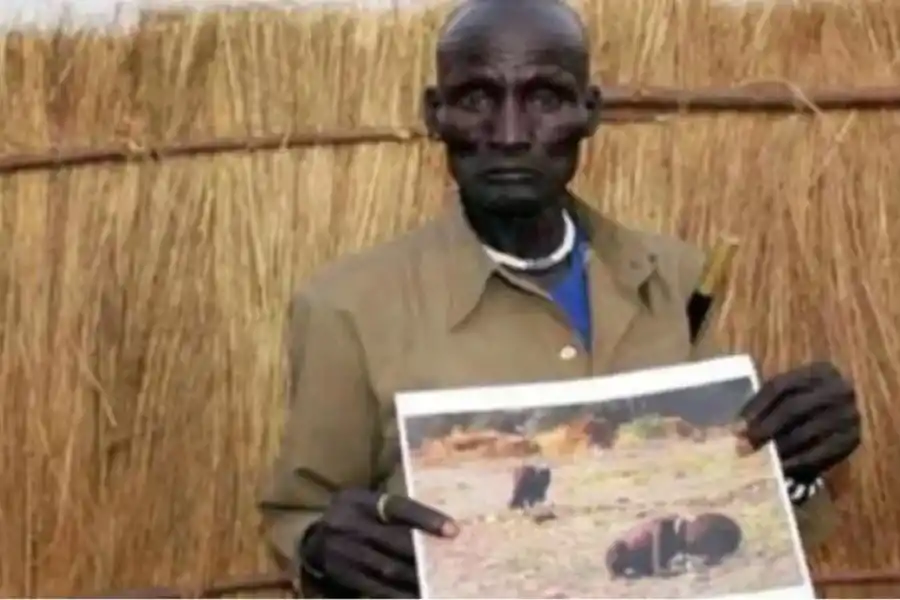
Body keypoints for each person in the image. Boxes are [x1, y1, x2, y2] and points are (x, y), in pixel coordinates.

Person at [258, 0, 861, 597]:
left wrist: (797, 466)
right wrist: (320, 552)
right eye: (476, 98)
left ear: (588, 112)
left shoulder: (676, 280)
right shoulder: (348, 309)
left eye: (544, 98)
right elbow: (300, 515)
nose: (510, 134)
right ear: (434, 114)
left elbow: (730, 503)